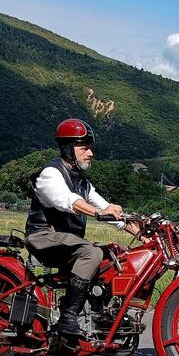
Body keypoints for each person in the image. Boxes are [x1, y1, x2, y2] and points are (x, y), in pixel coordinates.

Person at [24, 118, 137, 338]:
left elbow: (106, 208)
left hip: (66, 240)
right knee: (91, 253)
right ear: (68, 148)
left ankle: (101, 314)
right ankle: (68, 318)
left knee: (115, 255)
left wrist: (139, 231)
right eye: (84, 148)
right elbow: (68, 201)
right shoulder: (50, 174)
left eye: (90, 147)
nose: (90, 153)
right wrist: (98, 213)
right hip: (43, 236)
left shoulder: (83, 183)